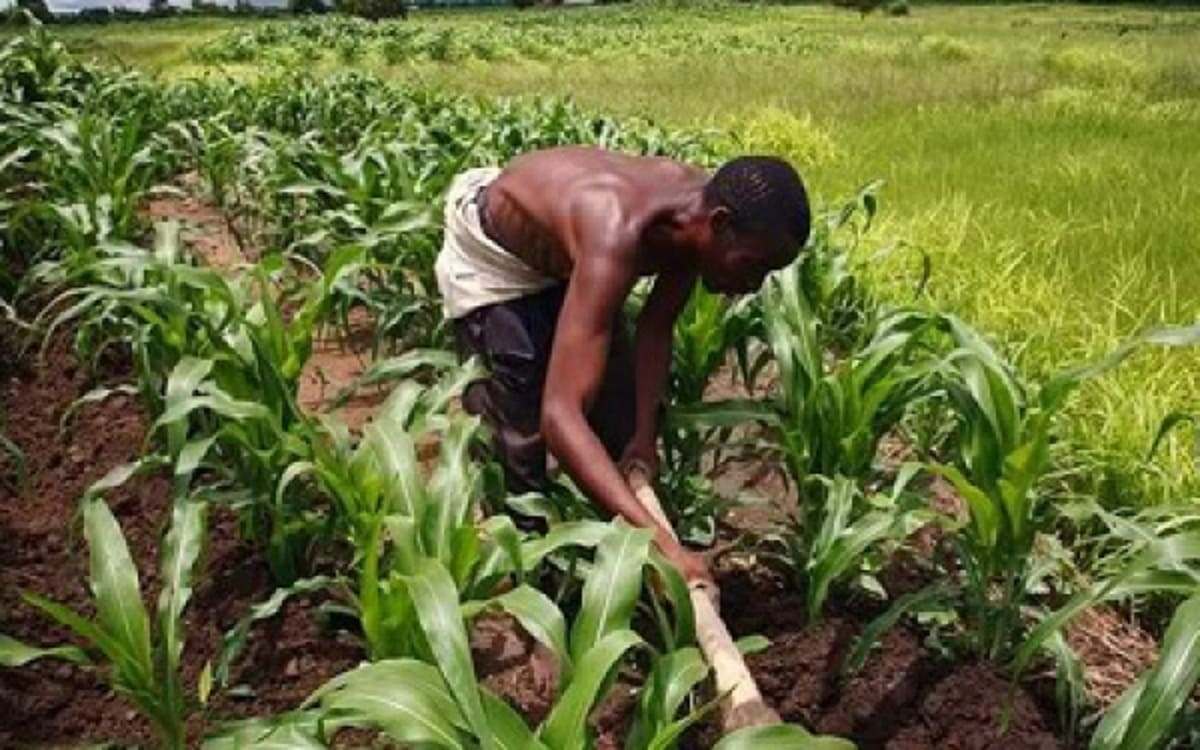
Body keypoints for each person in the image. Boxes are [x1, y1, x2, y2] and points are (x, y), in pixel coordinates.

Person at [435, 146, 811, 586]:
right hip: (496, 258)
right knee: (522, 447)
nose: (751, 285)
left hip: (569, 257)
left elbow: (657, 326)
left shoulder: (696, 219)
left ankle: (626, 574)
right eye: (753, 266)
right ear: (720, 225)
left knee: (618, 419)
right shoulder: (618, 230)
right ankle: (533, 605)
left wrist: (643, 437)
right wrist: (664, 546)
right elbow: (560, 417)